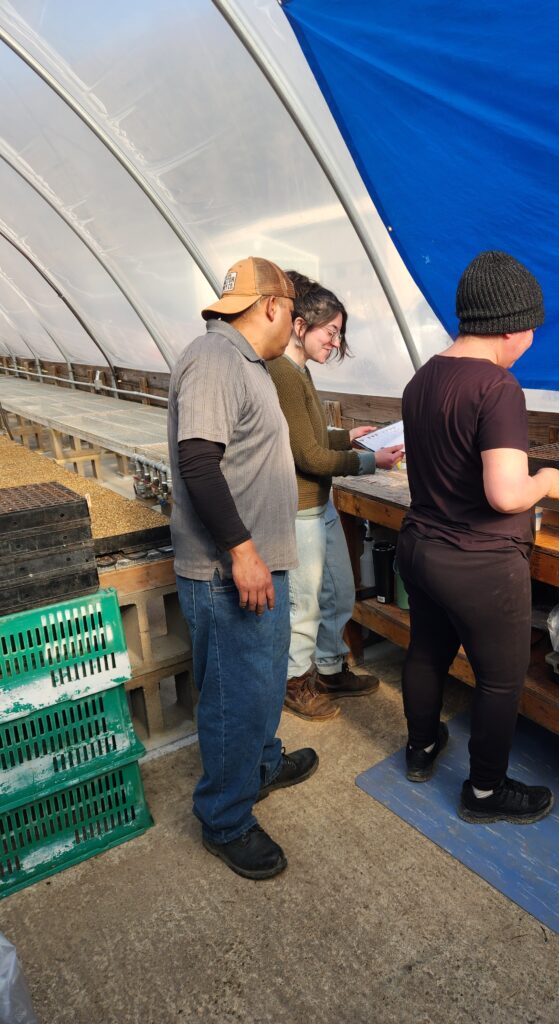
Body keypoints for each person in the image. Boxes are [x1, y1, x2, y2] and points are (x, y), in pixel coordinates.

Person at [397, 250, 559, 824]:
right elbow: (505, 494)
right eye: (533, 332)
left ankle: (420, 750)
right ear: (515, 327)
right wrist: (547, 479)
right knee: (500, 680)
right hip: (479, 564)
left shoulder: (424, 377)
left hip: (420, 547)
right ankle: (486, 793)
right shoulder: (497, 388)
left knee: (426, 652)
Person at [168, 256, 318, 881]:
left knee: (259, 682)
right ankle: (225, 818)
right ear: (274, 308)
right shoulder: (215, 359)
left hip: (259, 565)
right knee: (234, 694)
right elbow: (200, 463)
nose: (295, 326)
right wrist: (244, 551)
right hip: (231, 571)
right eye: (295, 314)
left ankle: (260, 763)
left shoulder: (249, 365)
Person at [268, 271, 403, 721]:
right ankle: (295, 681)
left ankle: (329, 668)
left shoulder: (300, 370)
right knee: (303, 605)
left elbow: (309, 436)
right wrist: (370, 461)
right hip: (301, 507)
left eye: (338, 334)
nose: (334, 343)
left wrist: (348, 437)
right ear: (301, 324)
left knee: (338, 592)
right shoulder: (283, 374)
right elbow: (305, 455)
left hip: (320, 504)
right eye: (331, 332)